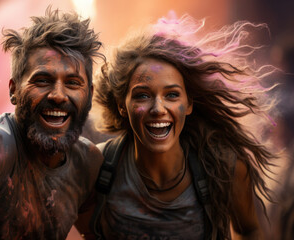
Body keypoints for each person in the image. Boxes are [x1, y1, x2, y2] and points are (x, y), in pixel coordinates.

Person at [75, 14, 278, 239]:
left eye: (172, 95)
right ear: (122, 105)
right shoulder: (97, 167)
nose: (158, 108)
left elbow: (250, 230)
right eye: (142, 95)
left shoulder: (224, 167)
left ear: (189, 103)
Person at [0, 7, 104, 240]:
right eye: (43, 80)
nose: (58, 95)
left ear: (89, 95)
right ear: (14, 90)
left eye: (73, 83)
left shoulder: (87, 163)